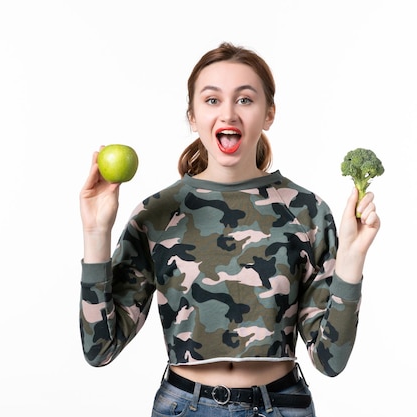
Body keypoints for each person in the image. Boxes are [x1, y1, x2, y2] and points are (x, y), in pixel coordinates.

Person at [79, 42, 380, 417]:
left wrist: (352, 259)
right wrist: (96, 234)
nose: (228, 114)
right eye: (211, 100)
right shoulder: (156, 214)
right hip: (184, 407)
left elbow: (329, 360)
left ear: (269, 113)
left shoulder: (307, 211)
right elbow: (100, 349)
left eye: (245, 99)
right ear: (191, 116)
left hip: (282, 406)